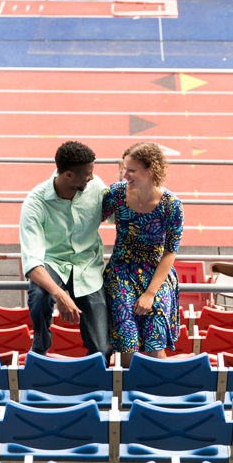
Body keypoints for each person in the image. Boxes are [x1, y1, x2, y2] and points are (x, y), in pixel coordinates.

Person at [20, 141, 111, 362]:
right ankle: (41, 345)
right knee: (40, 294)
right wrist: (60, 294)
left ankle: (93, 383)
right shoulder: (35, 202)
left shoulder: (97, 187)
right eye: (88, 173)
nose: (92, 177)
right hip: (53, 262)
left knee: (102, 349)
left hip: (88, 266)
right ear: (69, 174)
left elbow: (120, 216)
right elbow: (32, 263)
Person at [102, 142, 184, 367]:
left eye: (131, 170)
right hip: (121, 270)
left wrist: (150, 293)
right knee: (127, 339)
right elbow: (89, 219)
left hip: (155, 273)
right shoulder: (116, 193)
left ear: (151, 171)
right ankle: (128, 393)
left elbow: (170, 252)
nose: (124, 174)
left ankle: (159, 394)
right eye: (124, 168)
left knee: (155, 335)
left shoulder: (171, 205)